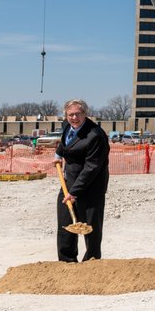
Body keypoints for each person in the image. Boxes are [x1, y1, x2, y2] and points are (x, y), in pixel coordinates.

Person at [54, 99, 110, 262]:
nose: (74, 117)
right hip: (68, 183)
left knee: (90, 227)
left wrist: (74, 192)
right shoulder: (67, 126)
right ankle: (67, 261)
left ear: (85, 114)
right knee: (65, 225)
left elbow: (92, 167)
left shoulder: (95, 135)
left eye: (78, 114)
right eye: (70, 114)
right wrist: (58, 155)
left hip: (91, 186)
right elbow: (65, 142)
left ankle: (91, 262)